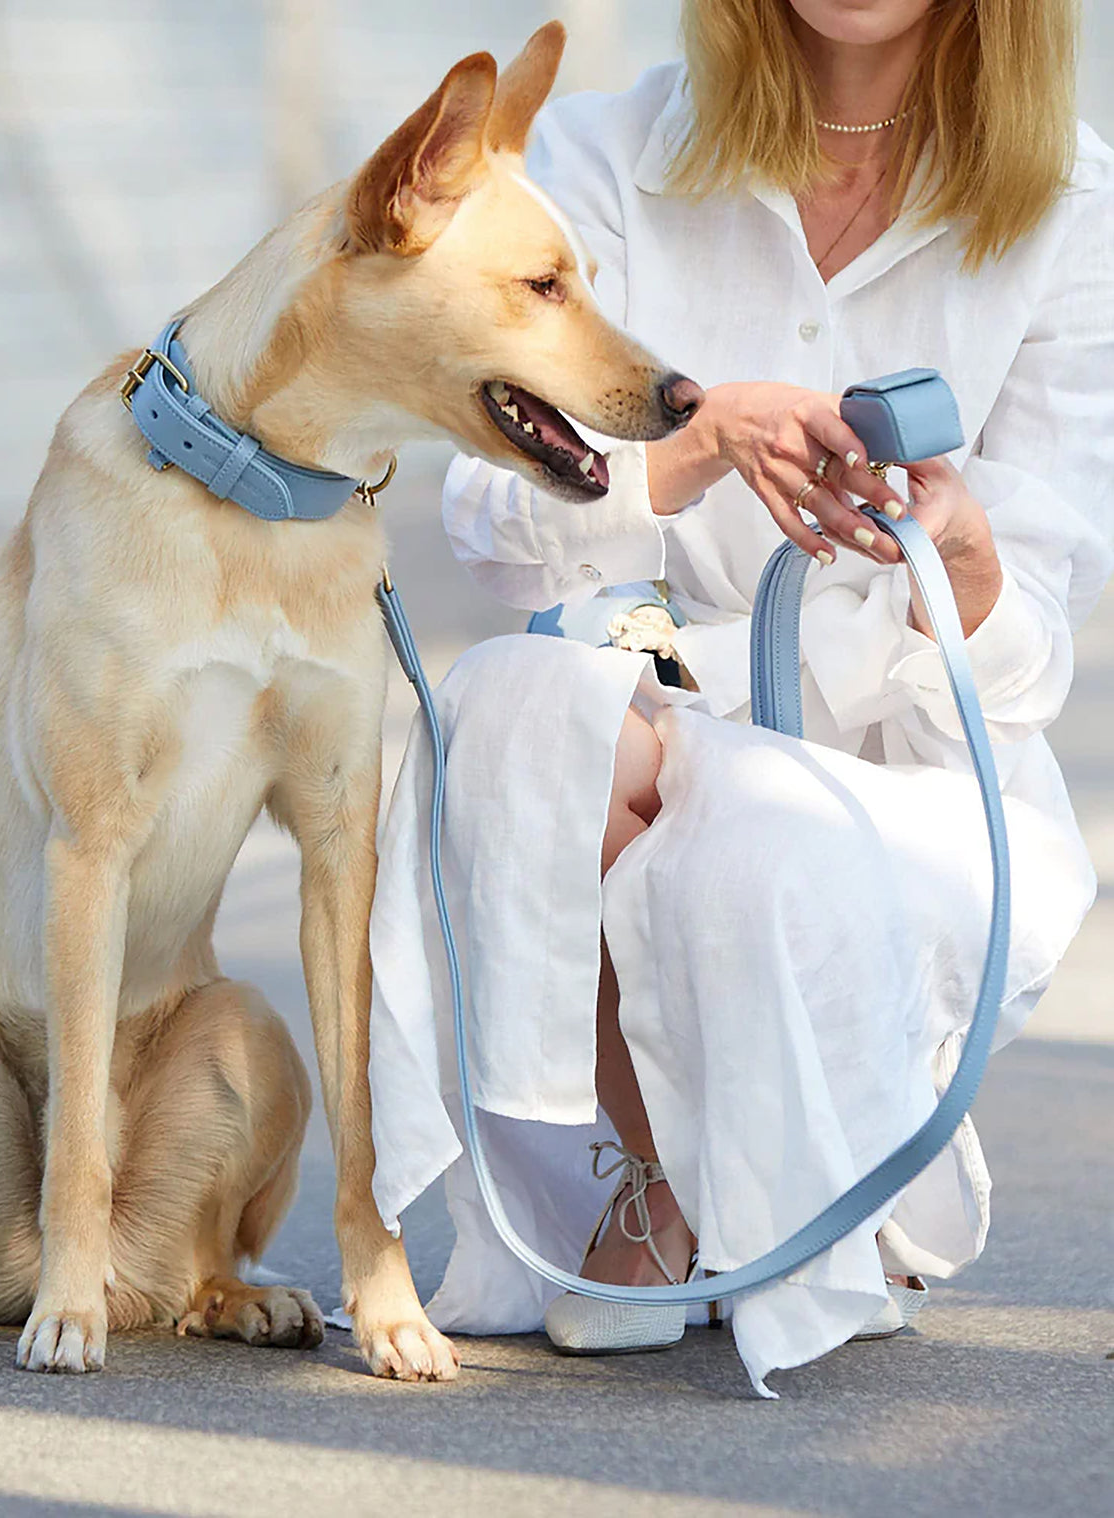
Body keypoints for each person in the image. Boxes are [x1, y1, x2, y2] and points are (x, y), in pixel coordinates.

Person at [365, 0, 1114, 1395]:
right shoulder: (606, 152)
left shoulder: (1071, 207)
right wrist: (682, 446)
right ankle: (663, 1178)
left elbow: (1023, 671)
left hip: (901, 770)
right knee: (512, 705)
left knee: (756, 831)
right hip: (646, 705)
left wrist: (955, 555)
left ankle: (803, 1164)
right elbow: (485, 514)